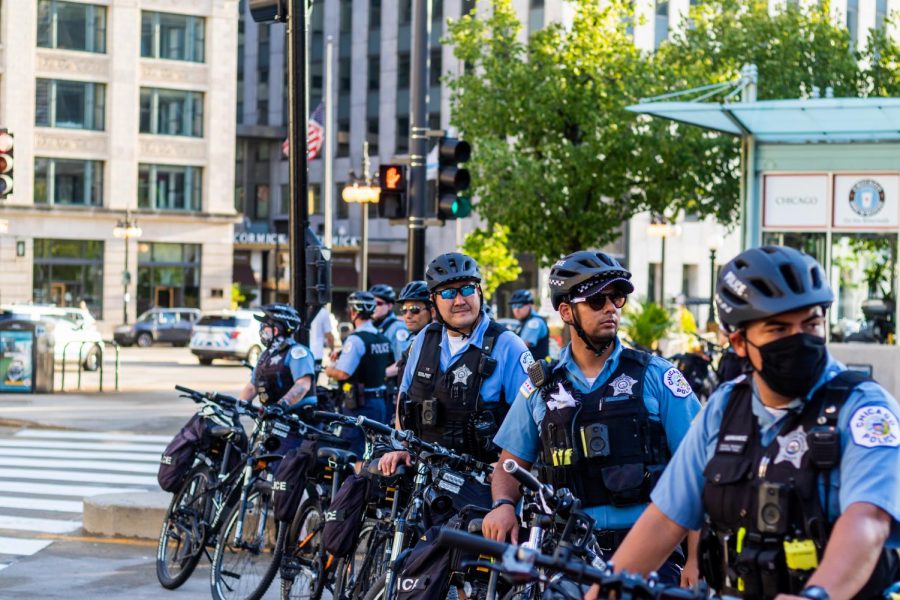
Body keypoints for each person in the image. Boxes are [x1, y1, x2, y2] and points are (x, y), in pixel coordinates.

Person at [597, 246, 900, 600]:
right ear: (739, 342)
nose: (799, 338)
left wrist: (819, 595)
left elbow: (868, 520)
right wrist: (607, 588)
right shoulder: (725, 407)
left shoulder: (864, 409)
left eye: (812, 323)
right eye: (778, 328)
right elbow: (665, 520)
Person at [482, 251, 701, 585]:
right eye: (597, 300)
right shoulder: (540, 387)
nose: (611, 308)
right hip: (568, 555)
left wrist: (696, 561)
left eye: (617, 298)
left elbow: (697, 470)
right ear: (567, 311)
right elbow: (509, 464)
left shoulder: (656, 375)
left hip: (649, 554)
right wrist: (502, 504)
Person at [379, 252, 533, 471]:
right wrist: (400, 445)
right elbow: (404, 399)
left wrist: (504, 473)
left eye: (468, 289)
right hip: (424, 477)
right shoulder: (425, 338)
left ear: (479, 292)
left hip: (483, 483)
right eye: (449, 293)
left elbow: (529, 421)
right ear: (433, 301)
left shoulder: (508, 345)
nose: (460, 300)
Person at [324, 291, 394, 458]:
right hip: (380, 402)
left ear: (353, 312)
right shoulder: (382, 338)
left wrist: (329, 369)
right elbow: (391, 365)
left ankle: (356, 484)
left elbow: (342, 373)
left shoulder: (355, 339)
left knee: (355, 453)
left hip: (360, 405)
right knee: (375, 451)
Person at [239, 303, 317, 409]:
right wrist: (237, 407)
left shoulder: (297, 352)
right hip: (272, 419)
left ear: (275, 330)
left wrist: (281, 405)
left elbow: (303, 385)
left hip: (298, 418)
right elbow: (252, 387)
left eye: (264, 326)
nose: (261, 330)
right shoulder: (266, 355)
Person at [385, 280, 434, 382]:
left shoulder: (437, 342)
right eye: (404, 310)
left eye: (414, 309)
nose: (408, 315)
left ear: (432, 310)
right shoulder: (417, 340)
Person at [369, 283, 410, 361]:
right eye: (371, 303)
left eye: (378, 303)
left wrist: (380, 372)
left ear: (389, 306)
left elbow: (403, 362)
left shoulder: (398, 328)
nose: (373, 306)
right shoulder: (373, 325)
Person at [510, 288, 551, 362]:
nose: (516, 310)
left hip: (536, 371)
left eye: (519, 305)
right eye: (513, 306)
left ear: (529, 305)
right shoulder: (523, 322)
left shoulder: (534, 322)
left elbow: (520, 346)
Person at [308, 305, 335, 373]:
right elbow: (329, 336)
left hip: (303, 353)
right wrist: (332, 350)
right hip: (316, 354)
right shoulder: (323, 313)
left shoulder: (301, 310)